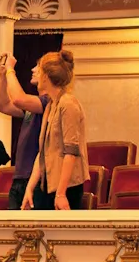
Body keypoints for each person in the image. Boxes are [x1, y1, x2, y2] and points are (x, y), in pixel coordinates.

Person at [22, 50, 89, 211]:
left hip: (66, 187)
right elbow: (43, 152)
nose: (36, 72)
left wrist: (61, 193)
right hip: (48, 184)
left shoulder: (68, 104)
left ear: (46, 76)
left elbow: (71, 152)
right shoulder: (51, 105)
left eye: (40, 69)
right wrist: (30, 188)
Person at [0, 53, 48, 210]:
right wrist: (3, 77)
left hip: (36, 179)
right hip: (19, 178)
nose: (32, 69)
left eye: (37, 67)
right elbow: (2, 105)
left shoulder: (47, 102)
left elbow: (19, 98)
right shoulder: (33, 105)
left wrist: (11, 69)